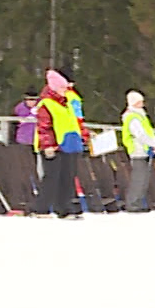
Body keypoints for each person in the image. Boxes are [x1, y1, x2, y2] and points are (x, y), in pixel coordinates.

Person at [31, 69, 89, 218]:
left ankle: (64, 208)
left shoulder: (67, 104)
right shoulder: (47, 104)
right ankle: (41, 208)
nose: (66, 90)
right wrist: (47, 146)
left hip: (68, 144)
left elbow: (75, 123)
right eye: (63, 87)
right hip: (53, 146)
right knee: (52, 177)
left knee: (67, 177)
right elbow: (44, 127)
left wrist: (82, 137)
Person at [121, 91, 155, 213]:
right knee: (139, 178)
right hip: (138, 149)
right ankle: (133, 204)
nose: (142, 104)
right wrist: (154, 143)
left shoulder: (139, 116)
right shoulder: (133, 117)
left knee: (143, 178)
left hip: (143, 149)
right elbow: (140, 134)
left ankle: (137, 202)